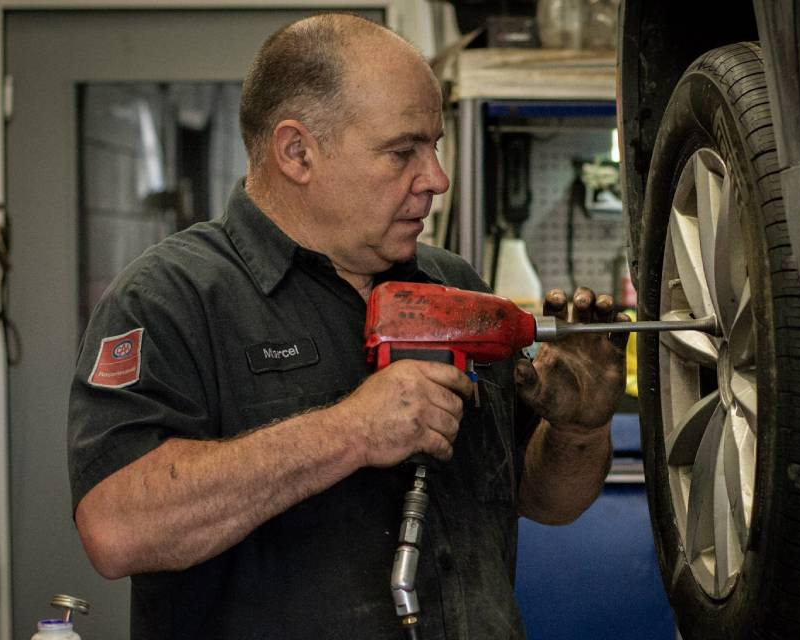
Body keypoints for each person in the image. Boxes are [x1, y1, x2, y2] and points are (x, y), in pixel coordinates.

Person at [68, 13, 626, 640]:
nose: (436, 179)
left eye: (436, 147)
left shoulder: (452, 287)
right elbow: (116, 529)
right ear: (297, 152)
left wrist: (579, 427)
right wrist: (350, 432)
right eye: (402, 152)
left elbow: (548, 502)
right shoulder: (173, 298)